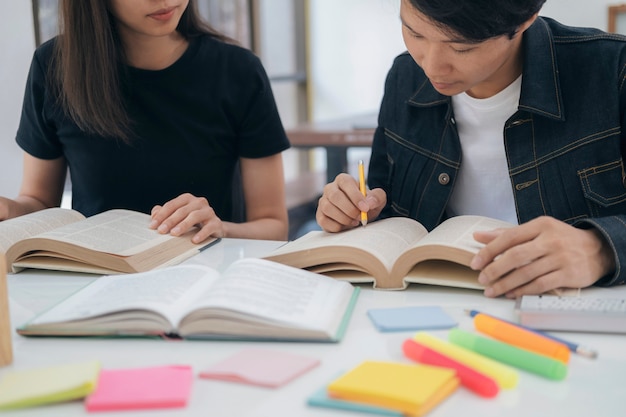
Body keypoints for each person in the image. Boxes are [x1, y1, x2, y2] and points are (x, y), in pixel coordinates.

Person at [316, 0, 626, 298]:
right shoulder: (404, 77)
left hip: (561, 316)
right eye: (414, 33)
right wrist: (350, 212)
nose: (432, 66)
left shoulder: (612, 71)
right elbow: (383, 207)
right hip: (429, 311)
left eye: (461, 47)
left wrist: (599, 249)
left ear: (526, 19)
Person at [0, 0, 290, 242]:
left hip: (206, 279)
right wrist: (8, 210)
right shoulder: (54, 67)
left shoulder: (239, 71)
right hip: (95, 280)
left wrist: (222, 229)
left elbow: (273, 225)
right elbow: (38, 202)